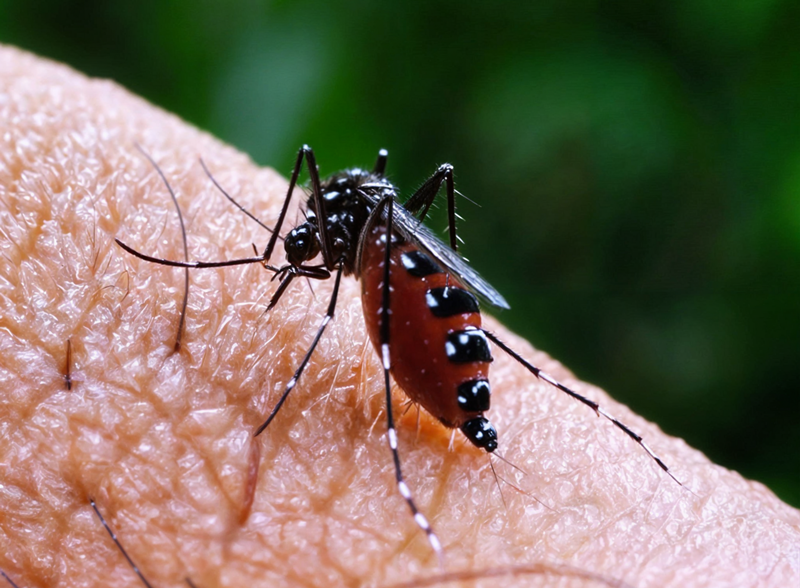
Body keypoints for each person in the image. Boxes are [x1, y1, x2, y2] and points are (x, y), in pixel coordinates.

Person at [0, 44, 797, 587]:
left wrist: (385, 290)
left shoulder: (355, 224)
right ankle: (458, 326)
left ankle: (411, 421)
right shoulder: (337, 204)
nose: (303, 250)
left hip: (410, 279)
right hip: (409, 265)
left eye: (306, 241)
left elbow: (361, 231)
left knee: (402, 241)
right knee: (414, 207)